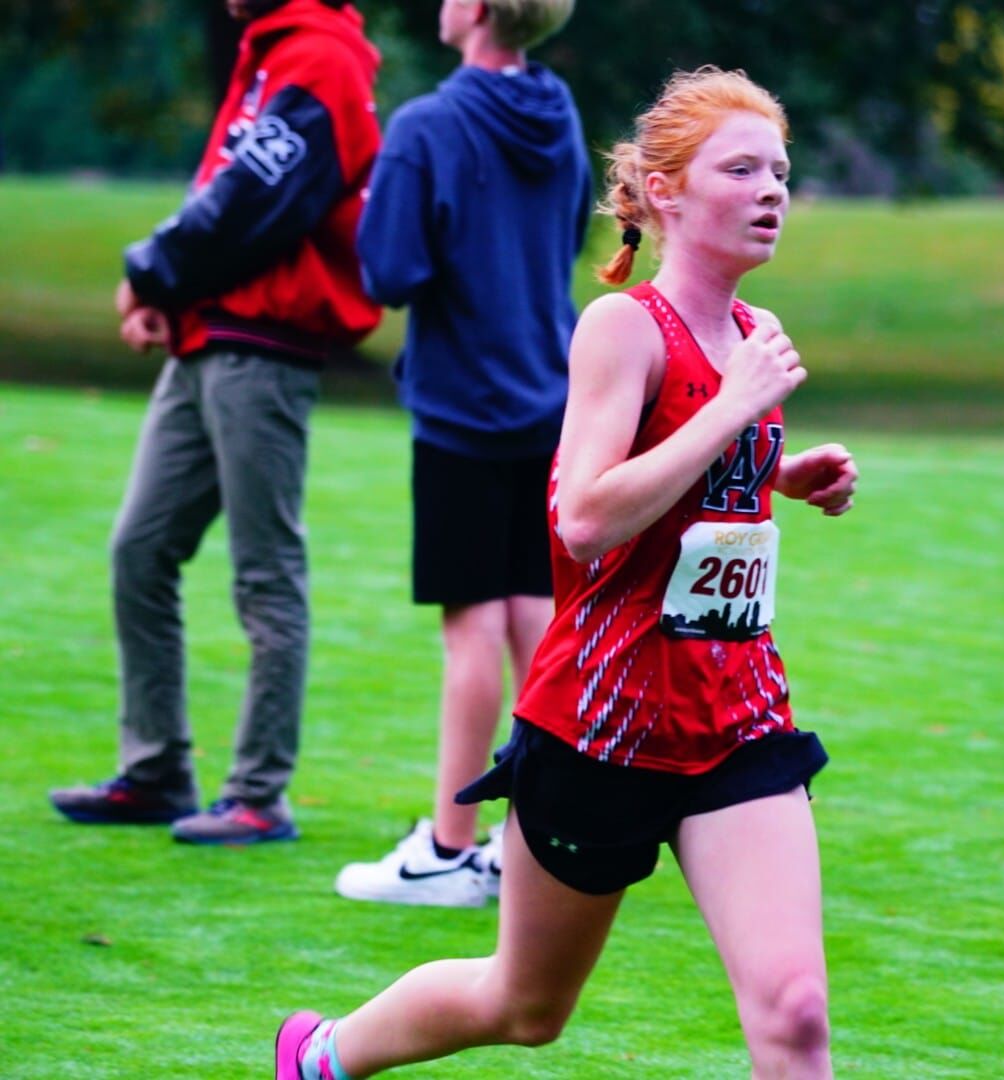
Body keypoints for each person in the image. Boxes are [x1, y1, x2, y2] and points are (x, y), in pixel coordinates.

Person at [273, 65, 858, 1078]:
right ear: (668, 194)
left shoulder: (755, 338)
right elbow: (584, 517)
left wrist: (780, 472)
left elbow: (693, 505)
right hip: (602, 724)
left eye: (781, 171)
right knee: (527, 1004)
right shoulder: (623, 329)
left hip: (733, 718)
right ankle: (323, 1055)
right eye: (742, 169)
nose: (772, 191)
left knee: (797, 1010)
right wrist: (732, 412)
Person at [48, 0, 382, 845]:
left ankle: (259, 793)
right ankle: (158, 770)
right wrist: (173, 294)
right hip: (211, 336)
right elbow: (230, 195)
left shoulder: (321, 56)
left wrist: (151, 272)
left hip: (262, 347)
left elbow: (250, 202)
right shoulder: (269, 49)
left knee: (265, 571)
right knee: (140, 547)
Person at [334, 0, 591, 905]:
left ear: (476, 9)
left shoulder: (427, 125)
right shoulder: (558, 113)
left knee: (474, 624)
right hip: (548, 394)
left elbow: (389, 271)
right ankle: (550, 830)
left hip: (460, 410)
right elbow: (563, 244)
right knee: (535, 618)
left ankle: (448, 847)